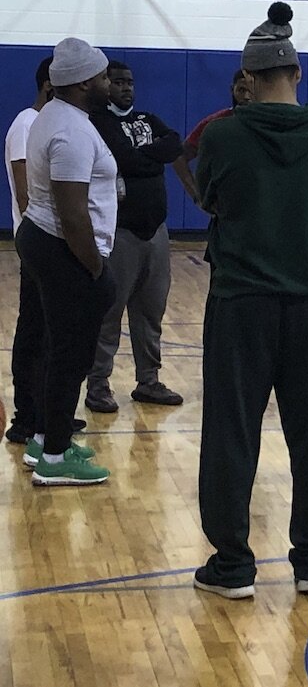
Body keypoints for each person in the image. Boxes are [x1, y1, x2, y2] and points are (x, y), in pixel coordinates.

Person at [193, 2, 308, 599]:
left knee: (232, 432)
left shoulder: (225, 135)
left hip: (240, 303)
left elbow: (211, 198)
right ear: (300, 73)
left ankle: (231, 566)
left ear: (249, 79)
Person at [16, 37, 117, 485]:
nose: (108, 82)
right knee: (70, 355)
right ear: (82, 83)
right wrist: (95, 267)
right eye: (102, 76)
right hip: (64, 248)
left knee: (57, 348)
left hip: (42, 241)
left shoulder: (54, 115)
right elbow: (73, 213)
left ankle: (43, 438)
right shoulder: (72, 131)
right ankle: (56, 459)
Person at [85, 61, 185, 413]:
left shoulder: (147, 118)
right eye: (118, 82)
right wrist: (150, 158)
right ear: (105, 84)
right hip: (120, 232)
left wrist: (143, 158)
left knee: (150, 310)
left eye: (130, 82)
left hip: (156, 231)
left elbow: (174, 145)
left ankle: (149, 380)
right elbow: (122, 158)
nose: (126, 87)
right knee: (109, 312)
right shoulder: (98, 122)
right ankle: (98, 384)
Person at [4, 56, 56, 445]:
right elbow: (26, 193)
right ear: (49, 86)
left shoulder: (49, 124)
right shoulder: (26, 123)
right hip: (38, 244)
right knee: (34, 332)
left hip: (52, 244)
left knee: (52, 334)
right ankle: (26, 418)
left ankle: (49, 415)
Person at [174, 68, 254, 203]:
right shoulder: (216, 123)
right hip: (226, 207)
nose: (246, 96)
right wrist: (197, 196)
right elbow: (179, 157)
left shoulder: (268, 122)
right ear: (232, 90)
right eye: (241, 90)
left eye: (251, 91)